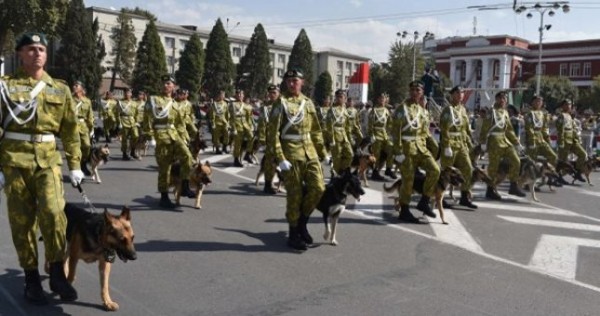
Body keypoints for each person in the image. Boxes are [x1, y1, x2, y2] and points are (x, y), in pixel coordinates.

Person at [0, 32, 82, 304]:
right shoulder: (5, 87)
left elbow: (70, 129)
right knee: (22, 223)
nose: (37, 53)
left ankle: (57, 271)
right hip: (14, 162)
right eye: (31, 49)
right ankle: (32, 279)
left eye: (41, 49)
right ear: (20, 54)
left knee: (54, 212)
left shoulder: (60, 88)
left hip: (48, 161)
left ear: (47, 55)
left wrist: (76, 164)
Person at [267, 69, 327, 251]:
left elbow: (316, 130)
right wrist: (279, 158)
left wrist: (323, 152)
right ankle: (293, 233)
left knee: (318, 188)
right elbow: (272, 134)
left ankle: (303, 222)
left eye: (296, 80)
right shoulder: (280, 103)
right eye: (289, 81)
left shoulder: (308, 103)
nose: (292, 84)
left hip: (310, 152)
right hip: (291, 154)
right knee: (295, 194)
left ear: (303, 82)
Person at [142, 75, 196, 208]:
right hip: (161, 137)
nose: (165, 86)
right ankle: (164, 197)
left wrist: (186, 137)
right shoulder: (154, 100)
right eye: (163, 83)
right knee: (165, 169)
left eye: (168, 83)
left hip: (174, 136)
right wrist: (151, 137)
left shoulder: (176, 104)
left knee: (188, 157)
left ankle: (184, 186)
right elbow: (146, 119)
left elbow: (179, 124)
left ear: (173, 86)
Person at [391, 81, 440, 223]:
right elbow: (396, 132)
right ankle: (404, 210)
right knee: (408, 181)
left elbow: (425, 133)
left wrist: (436, 147)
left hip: (421, 148)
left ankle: (424, 201)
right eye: (412, 89)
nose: (414, 92)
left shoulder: (424, 111)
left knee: (435, 170)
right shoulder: (401, 109)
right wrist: (398, 151)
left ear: (422, 92)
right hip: (406, 149)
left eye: (417, 90)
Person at [479, 91, 526, 200]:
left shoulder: (505, 113)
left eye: (504, 98)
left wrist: (516, 143)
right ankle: (490, 190)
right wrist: (482, 143)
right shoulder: (491, 112)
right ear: (496, 99)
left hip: (505, 141)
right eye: (500, 98)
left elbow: (509, 130)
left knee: (516, 160)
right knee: (493, 167)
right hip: (494, 142)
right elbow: (485, 128)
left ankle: (513, 185)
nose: (503, 100)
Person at [439, 86, 477, 208]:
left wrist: (470, 141)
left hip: (461, 144)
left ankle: (464, 196)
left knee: (468, 169)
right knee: (446, 172)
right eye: (457, 93)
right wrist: (446, 146)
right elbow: (444, 129)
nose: (460, 95)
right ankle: (441, 197)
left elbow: (466, 128)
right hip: (450, 143)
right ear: (452, 95)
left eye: (462, 93)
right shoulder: (447, 110)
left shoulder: (463, 110)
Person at [524, 95, 561, 186]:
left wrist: (548, 140)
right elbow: (529, 128)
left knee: (553, 156)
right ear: (532, 102)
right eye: (536, 101)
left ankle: (547, 175)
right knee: (531, 162)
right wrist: (532, 141)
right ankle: (527, 181)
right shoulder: (529, 114)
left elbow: (544, 128)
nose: (538, 103)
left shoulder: (543, 114)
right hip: (532, 139)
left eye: (540, 101)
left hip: (541, 138)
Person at [556, 99, 587, 182]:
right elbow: (560, 130)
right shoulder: (561, 116)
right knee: (562, 160)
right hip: (565, 141)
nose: (568, 106)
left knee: (583, 154)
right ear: (562, 106)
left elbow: (574, 129)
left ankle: (577, 172)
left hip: (573, 141)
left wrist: (577, 140)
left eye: (569, 105)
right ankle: (558, 177)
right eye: (566, 104)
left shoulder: (570, 116)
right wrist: (561, 142)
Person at [257, 84, 280, 194]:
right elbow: (261, 123)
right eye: (270, 93)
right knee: (269, 162)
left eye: (274, 93)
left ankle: (282, 183)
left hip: (282, 138)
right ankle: (267, 184)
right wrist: (262, 139)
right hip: (270, 138)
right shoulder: (265, 107)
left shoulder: (282, 105)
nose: (272, 95)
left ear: (278, 93)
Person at [368, 93, 396, 180]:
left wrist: (389, 133)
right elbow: (370, 124)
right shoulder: (374, 110)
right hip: (376, 135)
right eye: (381, 98)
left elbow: (390, 124)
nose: (382, 100)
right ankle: (375, 172)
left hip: (384, 135)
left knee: (391, 148)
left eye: (384, 98)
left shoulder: (386, 111)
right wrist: (371, 135)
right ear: (378, 100)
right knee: (376, 155)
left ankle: (388, 168)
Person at [327, 89, 353, 175]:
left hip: (344, 137)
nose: (339, 99)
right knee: (337, 158)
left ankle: (340, 170)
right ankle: (336, 175)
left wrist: (350, 138)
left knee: (350, 155)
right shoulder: (332, 110)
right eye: (338, 97)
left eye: (342, 97)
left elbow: (347, 126)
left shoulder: (345, 110)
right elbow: (329, 125)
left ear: (345, 98)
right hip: (336, 137)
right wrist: (331, 139)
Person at [72, 80, 94, 176]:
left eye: (77, 85)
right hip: (72, 125)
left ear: (81, 88)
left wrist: (92, 129)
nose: (74, 87)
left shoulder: (87, 101)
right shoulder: (70, 99)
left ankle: (83, 163)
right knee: (74, 148)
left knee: (87, 146)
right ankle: (76, 169)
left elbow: (90, 116)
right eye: (74, 85)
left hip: (83, 125)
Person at [229, 88, 254, 167]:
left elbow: (248, 117)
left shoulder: (246, 106)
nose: (240, 95)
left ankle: (247, 154)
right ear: (236, 95)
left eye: (241, 94)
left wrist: (251, 126)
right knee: (238, 144)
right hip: (237, 125)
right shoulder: (233, 105)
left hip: (245, 125)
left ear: (243, 96)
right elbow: (232, 117)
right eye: (238, 94)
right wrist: (233, 128)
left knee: (251, 137)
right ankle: (236, 159)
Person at [114, 88, 138, 160]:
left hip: (132, 121)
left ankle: (132, 151)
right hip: (124, 121)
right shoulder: (120, 102)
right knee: (124, 139)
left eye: (128, 93)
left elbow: (136, 113)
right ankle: (124, 154)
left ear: (131, 94)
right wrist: (119, 123)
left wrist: (136, 122)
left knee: (136, 136)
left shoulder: (134, 103)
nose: (127, 94)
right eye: (126, 93)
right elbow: (117, 113)